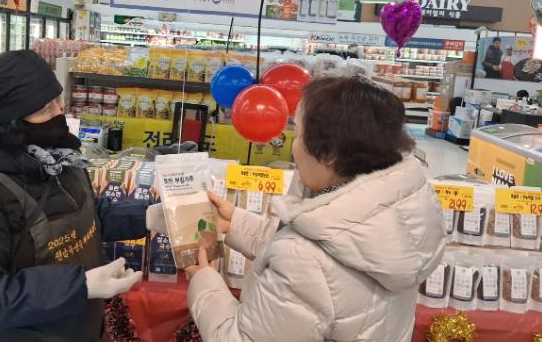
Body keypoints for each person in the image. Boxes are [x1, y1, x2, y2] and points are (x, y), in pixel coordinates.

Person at [184, 77, 445, 341]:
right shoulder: (400, 217)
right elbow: (331, 258)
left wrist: (205, 283)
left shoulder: (304, 260)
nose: (293, 146)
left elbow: (307, 269)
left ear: (328, 154)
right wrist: (237, 223)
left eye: (298, 133)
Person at [0, 50, 146, 342]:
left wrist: (148, 217)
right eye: (45, 109)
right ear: (10, 119)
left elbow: (86, 214)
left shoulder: (57, 155)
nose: (59, 112)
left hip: (76, 329)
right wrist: (81, 285)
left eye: (58, 100)